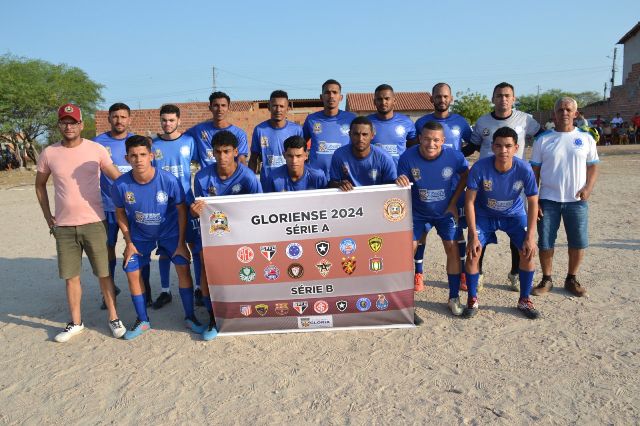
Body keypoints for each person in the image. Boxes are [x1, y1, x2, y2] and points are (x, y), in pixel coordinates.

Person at [35, 103, 127, 342]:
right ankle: (76, 322)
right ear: (59, 125)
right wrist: (48, 217)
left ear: (81, 125)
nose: (69, 126)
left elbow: (115, 177)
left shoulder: (95, 149)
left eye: (73, 122)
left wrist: (136, 190)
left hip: (94, 222)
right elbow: (39, 184)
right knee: (71, 276)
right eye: (64, 122)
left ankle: (114, 318)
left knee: (104, 273)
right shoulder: (49, 153)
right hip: (64, 226)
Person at [111, 135, 204, 340]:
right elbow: (120, 213)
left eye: (143, 154)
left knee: (182, 265)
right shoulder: (120, 185)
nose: (138, 159)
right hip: (140, 236)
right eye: (133, 156)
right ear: (127, 158)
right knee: (131, 270)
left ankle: (190, 316)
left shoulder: (168, 180)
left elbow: (181, 211)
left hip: (169, 233)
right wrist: (129, 243)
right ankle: (143, 320)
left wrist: (180, 243)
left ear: (151, 156)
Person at [466, 82, 540, 291]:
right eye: (499, 95)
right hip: (486, 183)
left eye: (507, 95)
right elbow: (471, 146)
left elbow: (542, 137)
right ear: (493, 98)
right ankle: (477, 273)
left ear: (514, 99)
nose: (503, 99)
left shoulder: (526, 119)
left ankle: (516, 273)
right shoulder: (482, 122)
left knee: (518, 236)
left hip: (512, 184)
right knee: (481, 237)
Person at [190, 130, 263, 341]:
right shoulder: (203, 177)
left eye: (227, 152)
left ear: (235, 152)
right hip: (214, 232)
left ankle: (249, 310)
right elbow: (200, 208)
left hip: (242, 234)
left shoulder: (248, 177)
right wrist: (196, 210)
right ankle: (214, 317)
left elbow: (258, 208)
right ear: (212, 153)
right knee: (207, 269)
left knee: (244, 269)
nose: (222, 157)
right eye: (218, 152)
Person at [464, 126, 540, 319]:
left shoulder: (524, 168)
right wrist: (472, 235)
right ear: (492, 147)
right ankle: (472, 299)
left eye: (508, 146)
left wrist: (530, 237)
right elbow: (470, 201)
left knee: (528, 251)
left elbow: (532, 202)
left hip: (513, 215)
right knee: (473, 253)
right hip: (484, 214)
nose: (503, 150)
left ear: (516, 147)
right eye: (498, 146)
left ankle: (524, 299)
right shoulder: (480, 167)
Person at [396, 121, 469, 314]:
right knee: (405, 251)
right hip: (418, 212)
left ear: (443, 141)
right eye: (427, 139)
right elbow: (400, 180)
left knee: (452, 248)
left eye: (436, 140)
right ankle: (404, 300)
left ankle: (453, 297)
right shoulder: (407, 157)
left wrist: (454, 202)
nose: (431, 144)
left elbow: (466, 175)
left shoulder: (454, 156)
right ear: (419, 138)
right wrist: (400, 180)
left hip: (445, 212)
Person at [530, 97, 599, 297]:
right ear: (554, 114)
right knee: (545, 242)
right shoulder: (543, 140)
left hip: (576, 201)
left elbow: (593, 165)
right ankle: (547, 279)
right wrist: (534, 201)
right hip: (548, 200)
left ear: (576, 114)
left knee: (577, 241)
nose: (564, 113)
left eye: (569, 110)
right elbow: (534, 171)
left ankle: (572, 278)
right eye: (560, 110)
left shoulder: (586, 138)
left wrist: (588, 188)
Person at [413, 83, 473, 291]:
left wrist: (454, 160)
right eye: (438, 96)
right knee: (420, 233)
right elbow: (413, 148)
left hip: (454, 188)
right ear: (432, 99)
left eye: (445, 96)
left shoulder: (460, 122)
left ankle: (463, 274)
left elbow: (472, 143)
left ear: (451, 99)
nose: (441, 100)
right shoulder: (421, 122)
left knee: (456, 234)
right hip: (426, 187)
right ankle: (418, 274)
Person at [151, 104, 203, 309]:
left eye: (171, 120)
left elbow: (202, 167)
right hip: (163, 206)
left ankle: (199, 287)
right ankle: (165, 291)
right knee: (164, 250)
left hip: (187, 201)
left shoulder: (189, 142)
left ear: (179, 121)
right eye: (164, 120)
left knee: (194, 247)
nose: (167, 124)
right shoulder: (153, 146)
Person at [94, 103, 139, 309]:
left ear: (130, 119)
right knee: (107, 248)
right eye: (115, 117)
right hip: (107, 206)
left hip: (133, 206)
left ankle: (143, 289)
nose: (119, 120)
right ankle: (109, 290)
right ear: (109, 119)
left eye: (123, 117)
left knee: (137, 246)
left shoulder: (138, 143)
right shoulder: (98, 143)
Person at [249, 90, 304, 187]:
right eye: (275, 106)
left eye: (282, 106)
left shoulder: (297, 129)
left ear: (288, 108)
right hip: (267, 183)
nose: (278, 110)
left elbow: (302, 158)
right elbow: (253, 158)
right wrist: (250, 181)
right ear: (269, 107)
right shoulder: (260, 130)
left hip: (290, 183)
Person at [303, 79, 356, 179]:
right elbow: (301, 144)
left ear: (341, 97)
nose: (331, 96)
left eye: (335, 92)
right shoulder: (312, 119)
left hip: (344, 177)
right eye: (327, 92)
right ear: (321, 97)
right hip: (317, 177)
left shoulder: (351, 118)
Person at [328, 116, 397, 191]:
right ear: (349, 134)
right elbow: (332, 183)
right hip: (349, 200)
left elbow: (392, 186)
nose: (360, 139)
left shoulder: (384, 158)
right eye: (356, 134)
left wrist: (399, 181)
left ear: (372, 135)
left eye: (365, 134)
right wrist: (339, 184)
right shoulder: (339, 155)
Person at [187, 91, 249, 168]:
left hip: (230, 179)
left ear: (228, 108)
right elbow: (180, 138)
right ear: (210, 108)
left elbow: (241, 160)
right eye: (216, 105)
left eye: (223, 105)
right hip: (207, 178)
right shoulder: (199, 130)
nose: (220, 109)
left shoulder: (239, 134)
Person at [367, 83, 417, 165]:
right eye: (379, 99)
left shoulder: (406, 122)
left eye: (387, 98)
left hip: (399, 174)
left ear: (394, 101)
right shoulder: (366, 122)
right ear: (374, 102)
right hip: (373, 173)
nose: (383, 102)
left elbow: (413, 149)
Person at [262, 135, 327, 192]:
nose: (294, 161)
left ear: (306, 155)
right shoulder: (273, 177)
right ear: (284, 155)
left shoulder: (318, 176)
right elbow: (268, 204)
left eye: (298, 156)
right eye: (290, 156)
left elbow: (326, 202)